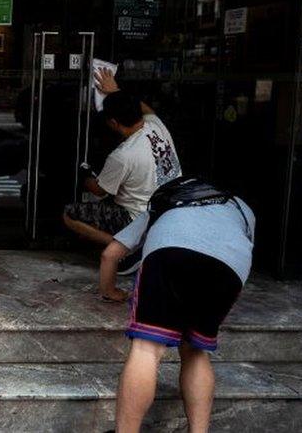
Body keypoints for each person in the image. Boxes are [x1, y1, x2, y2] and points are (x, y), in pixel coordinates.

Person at [110, 180, 255, 432]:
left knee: (147, 349)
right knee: (196, 351)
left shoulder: (169, 201)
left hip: (170, 253)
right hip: (229, 266)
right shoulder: (240, 207)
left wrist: (107, 291)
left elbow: (110, 254)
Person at [63, 68, 181, 279]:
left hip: (136, 217)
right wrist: (115, 90)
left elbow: (98, 190)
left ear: (113, 123)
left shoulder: (123, 155)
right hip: (166, 212)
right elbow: (145, 108)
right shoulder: (156, 126)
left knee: (70, 215)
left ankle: (127, 248)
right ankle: (139, 243)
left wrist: (84, 175)